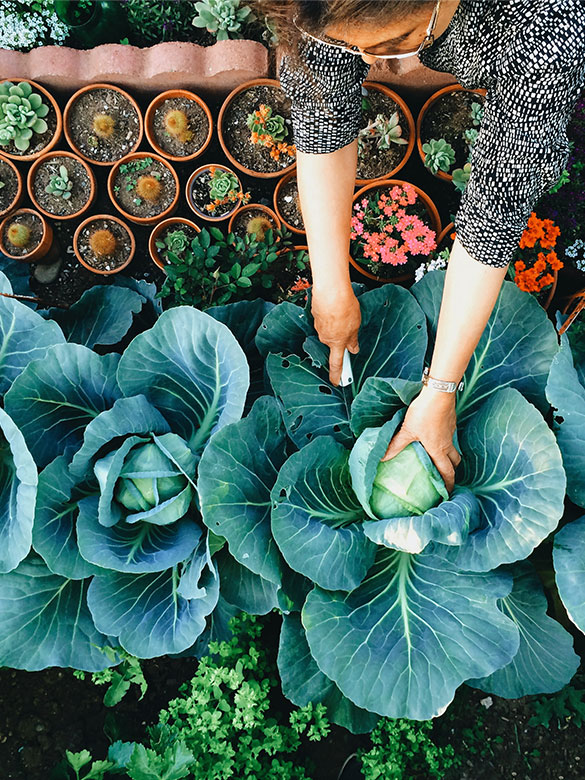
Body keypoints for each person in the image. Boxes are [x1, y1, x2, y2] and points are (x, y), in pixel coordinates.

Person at [253, 0, 585, 493]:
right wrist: (330, 287)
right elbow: (323, 115)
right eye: (349, 46)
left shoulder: (546, 24)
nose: (368, 59)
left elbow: (497, 207)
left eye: (390, 44)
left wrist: (441, 391)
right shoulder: (323, 7)